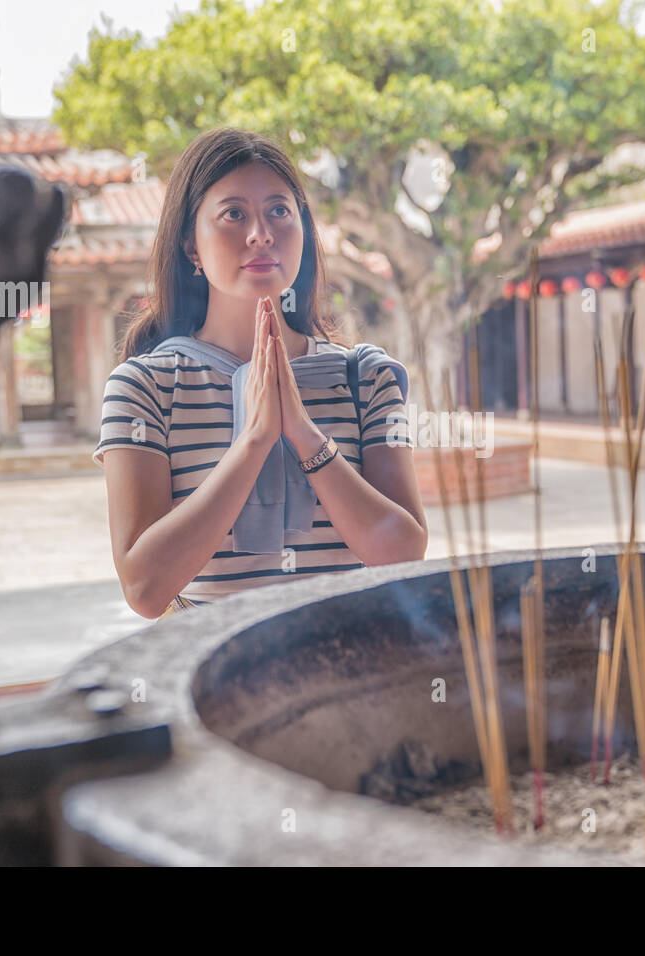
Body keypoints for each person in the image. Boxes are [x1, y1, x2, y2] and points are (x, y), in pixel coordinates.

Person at [92, 128, 427, 618]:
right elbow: (144, 588)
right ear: (191, 244)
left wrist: (307, 438)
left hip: (351, 676)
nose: (261, 233)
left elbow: (403, 554)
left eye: (279, 211)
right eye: (234, 214)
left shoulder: (367, 378)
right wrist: (253, 442)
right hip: (213, 687)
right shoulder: (143, 388)